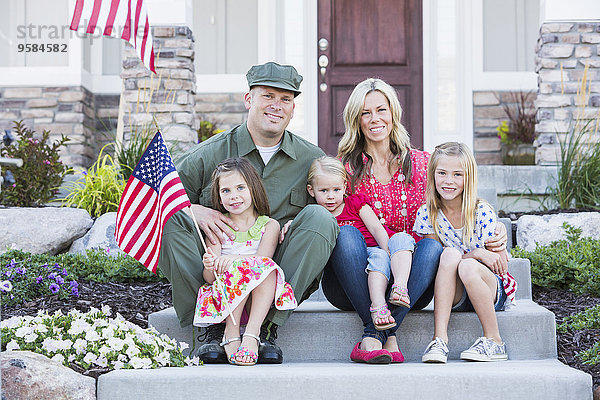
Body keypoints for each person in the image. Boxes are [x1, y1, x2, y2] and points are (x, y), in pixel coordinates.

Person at [159, 62, 339, 364]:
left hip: (274, 269)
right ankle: (211, 329)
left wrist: (300, 221)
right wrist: (194, 209)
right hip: (218, 268)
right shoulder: (211, 152)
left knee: (321, 219)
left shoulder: (311, 158)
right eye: (268, 96)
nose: (276, 106)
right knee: (175, 217)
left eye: (285, 99)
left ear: (293, 108)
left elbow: (335, 207)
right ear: (249, 100)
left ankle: (265, 329)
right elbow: (163, 194)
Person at [321, 78, 507, 364]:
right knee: (345, 235)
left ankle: (374, 335)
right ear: (355, 120)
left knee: (432, 248)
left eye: (381, 110)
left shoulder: (424, 164)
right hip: (355, 279)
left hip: (408, 286)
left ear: (393, 113)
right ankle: (384, 332)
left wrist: (498, 230)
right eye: (365, 113)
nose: (374, 119)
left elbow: (462, 204)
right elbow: (321, 209)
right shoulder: (345, 168)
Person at [416, 142, 517, 363]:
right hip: (455, 294)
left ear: (468, 178)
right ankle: (439, 340)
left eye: (457, 174)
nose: (448, 181)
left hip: (489, 290)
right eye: (442, 173)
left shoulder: (481, 212)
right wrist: (477, 253)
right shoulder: (427, 214)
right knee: (450, 256)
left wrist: (478, 257)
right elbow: (435, 261)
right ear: (432, 175)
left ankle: (494, 340)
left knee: (468, 266)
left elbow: (501, 266)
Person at [194, 158, 297, 366]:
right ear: (219, 196)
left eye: (240, 187)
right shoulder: (217, 227)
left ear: (253, 188)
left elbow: (263, 262)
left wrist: (233, 259)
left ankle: (251, 335)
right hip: (225, 302)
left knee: (265, 269)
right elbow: (209, 279)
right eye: (226, 191)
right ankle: (230, 334)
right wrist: (209, 266)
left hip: (258, 302)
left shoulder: (269, 225)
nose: (234, 196)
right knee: (238, 269)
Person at [307, 156, 415, 333]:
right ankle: (378, 304)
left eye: (336, 189)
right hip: (354, 268)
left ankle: (398, 290)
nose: (331, 196)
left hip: (380, 250)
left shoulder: (355, 203)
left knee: (396, 243)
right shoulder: (317, 215)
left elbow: (376, 228)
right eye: (324, 191)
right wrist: (291, 225)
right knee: (364, 247)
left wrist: (388, 251)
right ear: (311, 191)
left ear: (344, 186)